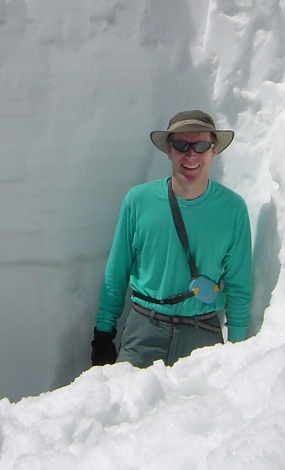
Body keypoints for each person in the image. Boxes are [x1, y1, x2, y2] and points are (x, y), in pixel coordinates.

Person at [91, 109, 252, 369]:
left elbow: (238, 285)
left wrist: (237, 347)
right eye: (181, 145)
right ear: (169, 150)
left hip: (203, 335)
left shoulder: (233, 209)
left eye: (201, 146)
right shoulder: (138, 201)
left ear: (214, 152)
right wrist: (103, 332)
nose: (191, 154)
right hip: (144, 330)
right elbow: (117, 270)